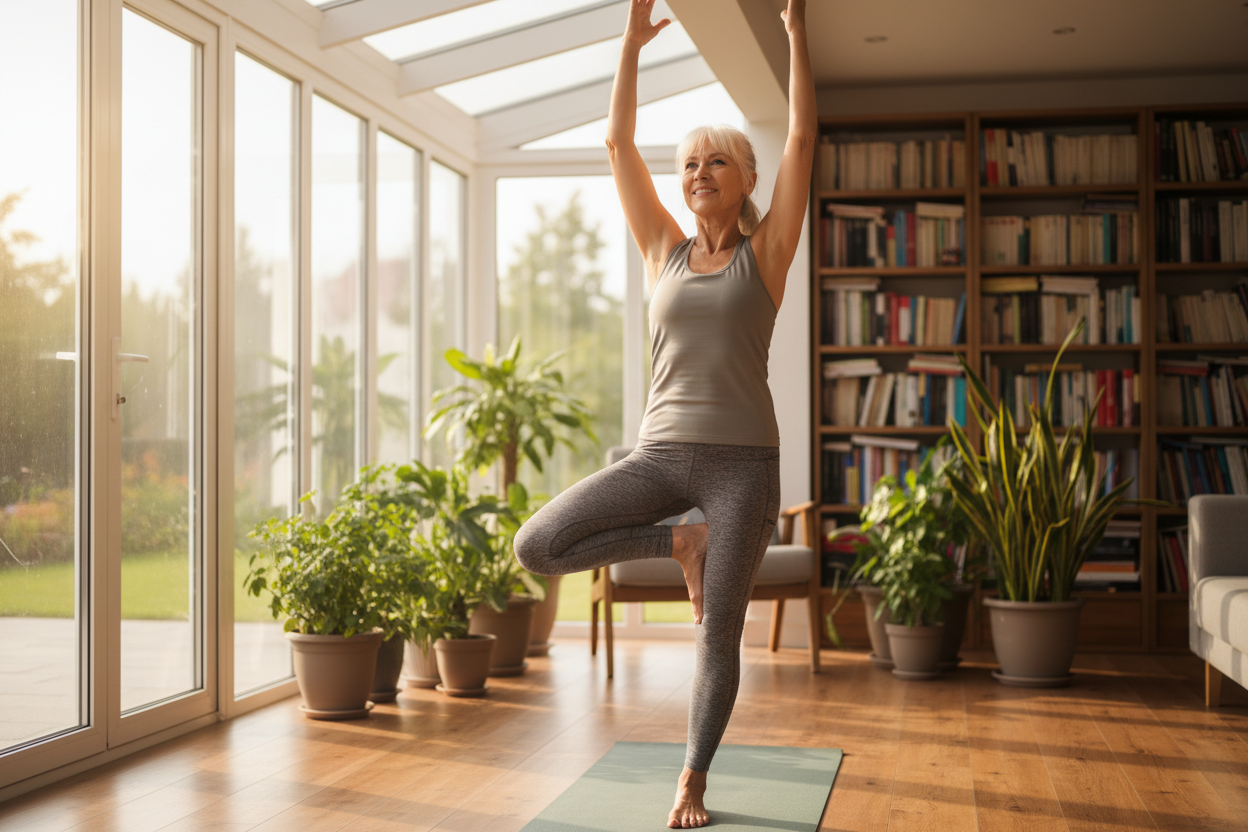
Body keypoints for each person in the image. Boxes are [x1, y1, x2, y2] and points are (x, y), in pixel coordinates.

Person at [514, 0, 814, 827]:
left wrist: (793, 35)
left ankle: (691, 780)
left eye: (718, 161)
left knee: (717, 636)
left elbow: (801, 142)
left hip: (742, 466)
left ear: (746, 179)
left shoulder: (770, 253)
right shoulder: (661, 251)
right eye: (689, 163)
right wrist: (629, 46)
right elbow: (615, 144)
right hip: (657, 457)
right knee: (536, 545)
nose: (699, 173)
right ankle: (677, 542)